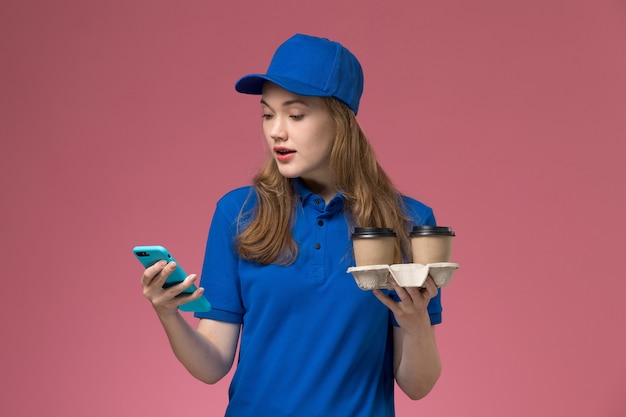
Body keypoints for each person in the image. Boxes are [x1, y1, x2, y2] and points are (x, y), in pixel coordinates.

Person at [140, 33, 443, 416]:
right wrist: (168, 313)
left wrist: (415, 322)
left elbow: (418, 387)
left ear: (341, 120)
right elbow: (212, 364)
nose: (276, 131)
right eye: (267, 114)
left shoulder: (409, 222)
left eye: (295, 115)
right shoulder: (237, 213)